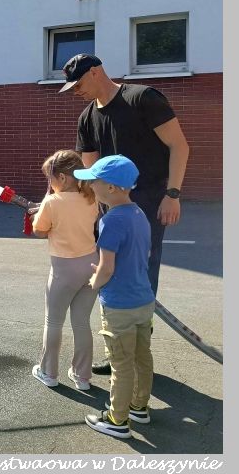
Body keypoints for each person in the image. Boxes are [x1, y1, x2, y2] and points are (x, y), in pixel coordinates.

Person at [59, 54, 189, 374]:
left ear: (95, 72)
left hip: (149, 205)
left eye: (79, 84)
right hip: (110, 210)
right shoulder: (87, 118)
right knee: (112, 273)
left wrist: (172, 194)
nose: (76, 92)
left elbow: (179, 146)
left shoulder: (143, 99)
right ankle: (120, 349)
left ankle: (138, 348)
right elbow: (89, 170)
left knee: (142, 273)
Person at [75, 155, 155, 439]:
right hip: (144, 300)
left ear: (110, 187)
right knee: (142, 357)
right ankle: (139, 407)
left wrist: (93, 282)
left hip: (119, 305)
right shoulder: (139, 214)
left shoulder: (111, 220)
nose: (90, 186)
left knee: (121, 364)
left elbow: (107, 268)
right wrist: (107, 270)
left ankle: (117, 420)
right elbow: (142, 254)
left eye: (94, 181)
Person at [29, 150, 101, 391]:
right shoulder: (91, 197)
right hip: (91, 265)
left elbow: (40, 230)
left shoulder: (52, 202)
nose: (49, 184)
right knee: (81, 322)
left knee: (53, 322)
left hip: (64, 269)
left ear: (62, 177)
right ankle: (82, 376)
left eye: (50, 178)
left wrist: (39, 215)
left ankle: (48, 372)